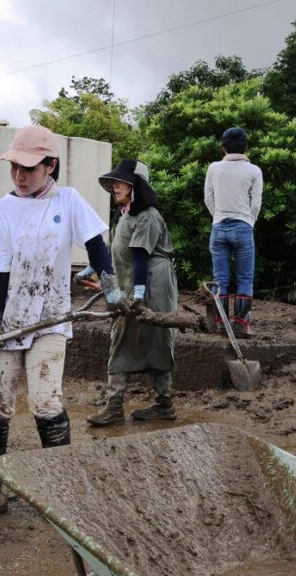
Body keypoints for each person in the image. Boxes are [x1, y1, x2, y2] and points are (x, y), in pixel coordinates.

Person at [0, 125, 126, 514]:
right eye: (14, 168)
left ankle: (60, 487)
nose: (19, 176)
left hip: (51, 320)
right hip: (4, 321)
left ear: (50, 165)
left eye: (28, 169)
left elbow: (96, 245)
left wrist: (111, 288)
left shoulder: (69, 201)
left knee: (45, 401)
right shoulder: (0, 210)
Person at [84, 159, 179, 426]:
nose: (115, 186)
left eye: (121, 181)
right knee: (124, 335)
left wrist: (138, 295)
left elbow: (139, 256)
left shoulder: (148, 216)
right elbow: (119, 249)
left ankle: (157, 404)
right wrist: (93, 269)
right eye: (114, 181)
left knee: (152, 339)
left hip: (151, 284)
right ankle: (123, 405)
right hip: (132, 281)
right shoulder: (125, 213)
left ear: (136, 185)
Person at [204, 126, 263, 337]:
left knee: (220, 279)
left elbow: (208, 198)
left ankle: (221, 324)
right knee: (245, 278)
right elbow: (255, 203)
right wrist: (249, 221)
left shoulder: (213, 168)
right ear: (245, 147)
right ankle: (241, 324)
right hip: (243, 227)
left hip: (218, 227)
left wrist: (217, 216)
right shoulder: (254, 171)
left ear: (223, 148)